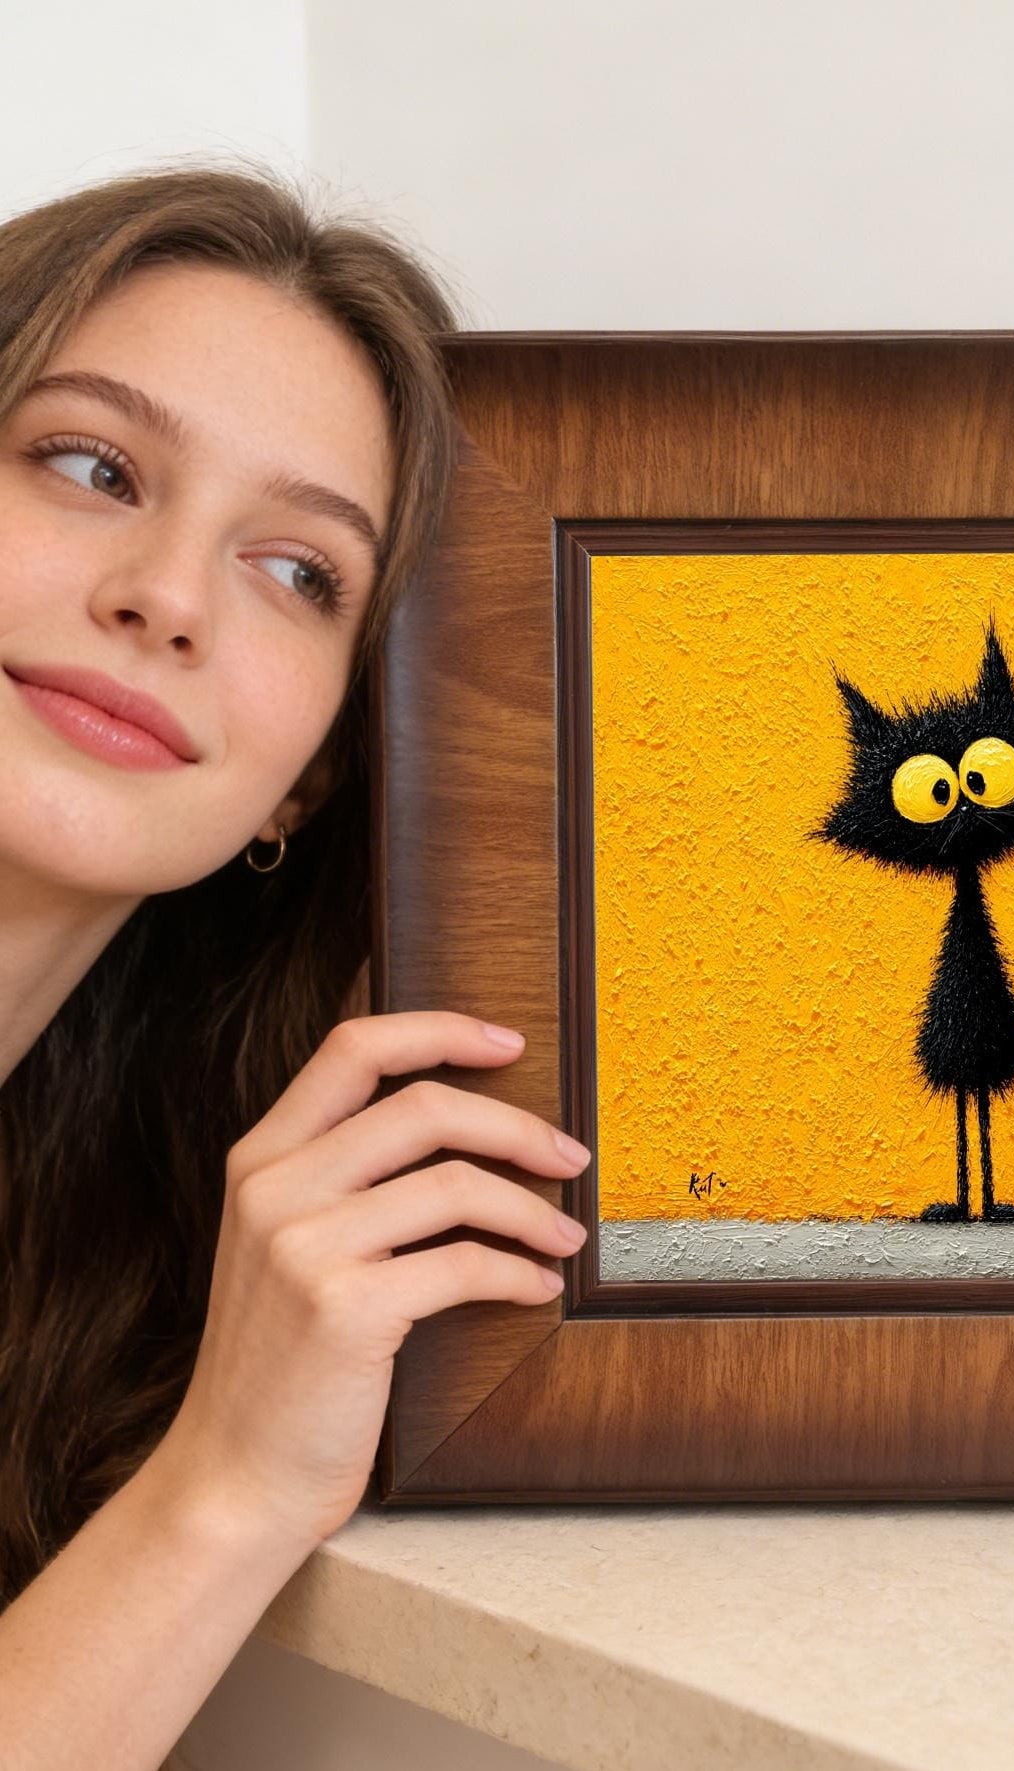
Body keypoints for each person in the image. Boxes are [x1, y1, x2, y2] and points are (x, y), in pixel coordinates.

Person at [0, 159, 591, 1771]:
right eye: (87, 464)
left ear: (317, 775)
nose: (167, 599)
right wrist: (231, 1486)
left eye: (299, 572)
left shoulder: (151, 1252)